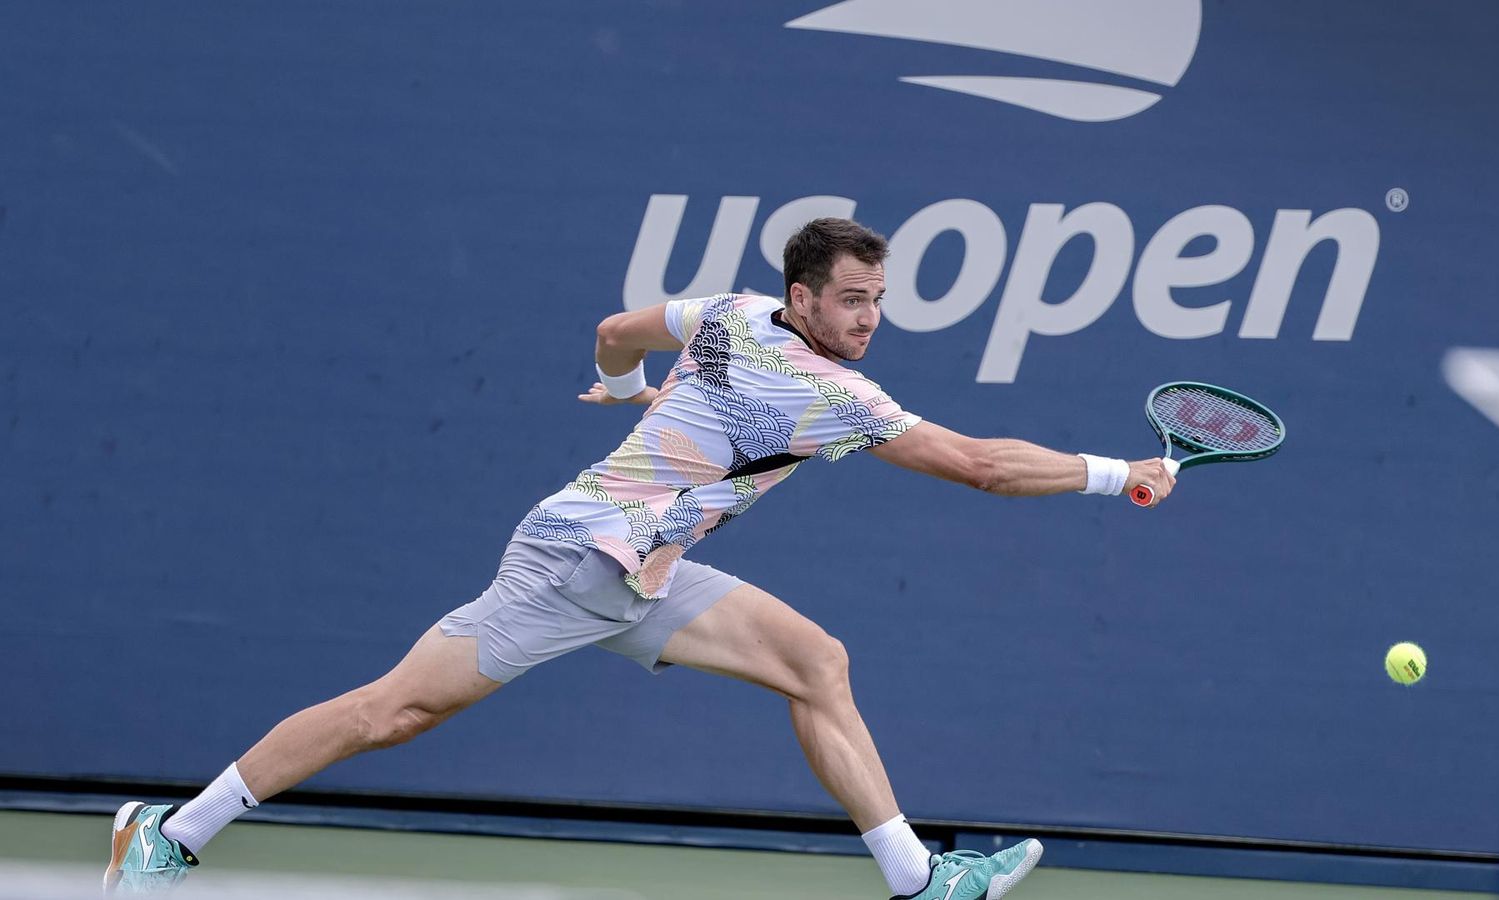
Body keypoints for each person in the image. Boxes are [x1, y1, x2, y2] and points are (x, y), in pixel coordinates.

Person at [104, 218, 1175, 899]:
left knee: (816, 664)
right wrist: (1112, 471)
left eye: (877, 300)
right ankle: (171, 831)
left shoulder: (725, 311)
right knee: (393, 713)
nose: (867, 320)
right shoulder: (827, 391)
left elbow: (616, 331)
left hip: (649, 567)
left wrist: (623, 392)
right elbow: (980, 465)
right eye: (851, 301)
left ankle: (914, 879)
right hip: (578, 559)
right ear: (801, 300)